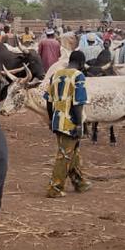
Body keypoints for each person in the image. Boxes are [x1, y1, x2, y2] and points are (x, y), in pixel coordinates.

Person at [45, 51, 92, 198]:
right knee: (65, 155)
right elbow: (78, 103)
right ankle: (55, 188)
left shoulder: (55, 75)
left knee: (73, 152)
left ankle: (80, 182)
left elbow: (48, 100)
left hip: (57, 120)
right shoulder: (78, 76)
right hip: (70, 121)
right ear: (82, 63)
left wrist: (51, 118)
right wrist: (79, 124)